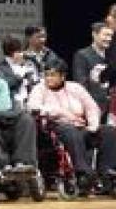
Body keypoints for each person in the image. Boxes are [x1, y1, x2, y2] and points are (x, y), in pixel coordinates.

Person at [28, 59, 116, 191]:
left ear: (62, 76)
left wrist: (93, 126)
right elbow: (33, 107)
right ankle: (83, 172)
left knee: (108, 131)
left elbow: (92, 108)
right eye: (46, 75)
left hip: (81, 128)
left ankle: (106, 173)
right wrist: (61, 112)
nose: (48, 78)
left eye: (52, 75)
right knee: (70, 130)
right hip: (55, 130)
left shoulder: (75, 88)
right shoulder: (39, 89)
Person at [72, 22, 113, 115]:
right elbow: (81, 84)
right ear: (94, 34)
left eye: (111, 36)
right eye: (106, 35)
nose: (109, 39)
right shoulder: (82, 55)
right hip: (93, 107)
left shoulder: (112, 56)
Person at [0, 36, 36, 107]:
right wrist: (19, 75)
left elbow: (32, 84)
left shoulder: (27, 65)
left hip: (29, 102)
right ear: (15, 52)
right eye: (21, 51)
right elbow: (3, 85)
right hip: (12, 105)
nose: (23, 54)